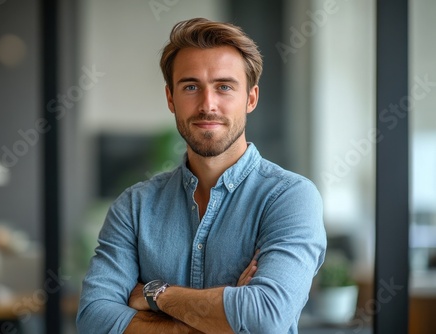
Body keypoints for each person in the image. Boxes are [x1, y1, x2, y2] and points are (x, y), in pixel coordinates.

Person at [77, 17, 326, 334]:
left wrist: (155, 295)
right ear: (171, 99)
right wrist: (226, 320)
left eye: (224, 87)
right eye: (191, 87)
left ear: (251, 98)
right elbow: (93, 321)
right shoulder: (134, 208)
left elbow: (266, 318)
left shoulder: (290, 198)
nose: (208, 105)